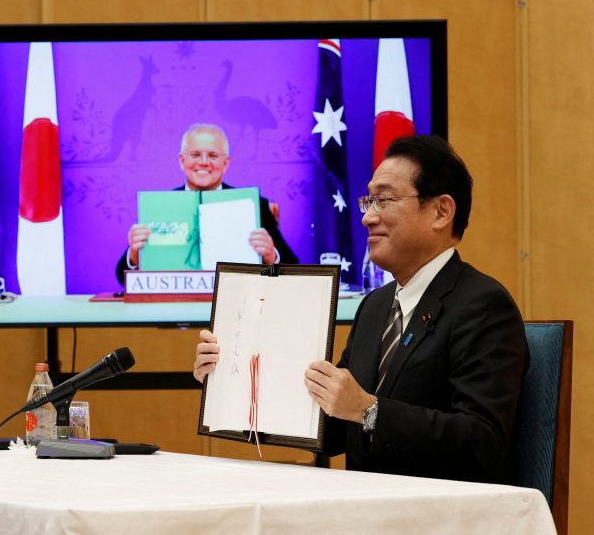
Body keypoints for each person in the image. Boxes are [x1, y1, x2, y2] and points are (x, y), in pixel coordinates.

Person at [193, 135, 528, 485]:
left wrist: (369, 411)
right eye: (369, 201)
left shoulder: (482, 305)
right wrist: (229, 379)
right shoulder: (376, 305)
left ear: (441, 211)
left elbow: (483, 441)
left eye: (384, 200)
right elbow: (331, 430)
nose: (368, 217)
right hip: (365, 506)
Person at [115, 123, 297, 285]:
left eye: (213, 155)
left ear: (225, 163)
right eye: (195, 154)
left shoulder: (254, 205)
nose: (203, 162)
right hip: (176, 310)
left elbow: (293, 270)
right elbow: (123, 279)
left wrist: (271, 256)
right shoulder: (161, 206)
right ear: (182, 161)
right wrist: (135, 255)